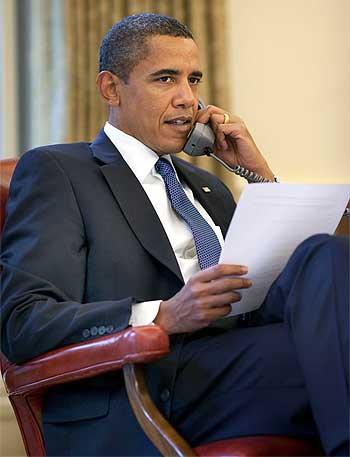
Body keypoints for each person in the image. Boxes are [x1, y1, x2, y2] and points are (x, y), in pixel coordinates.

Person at [0, 13, 348, 457]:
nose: (188, 99)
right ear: (111, 89)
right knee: (332, 356)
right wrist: (163, 314)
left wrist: (260, 177)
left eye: (194, 80)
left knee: (328, 254)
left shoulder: (209, 186)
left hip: (244, 358)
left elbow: (288, 287)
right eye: (166, 79)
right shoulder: (60, 172)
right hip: (154, 381)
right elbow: (23, 322)